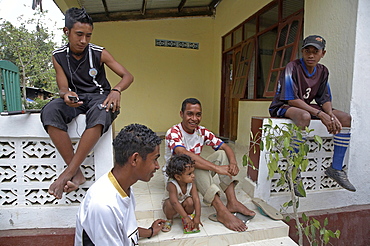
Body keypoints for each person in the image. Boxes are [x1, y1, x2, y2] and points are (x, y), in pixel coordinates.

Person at [40, 8, 134, 199]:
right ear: (66, 32)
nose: (84, 40)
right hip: (77, 98)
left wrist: (116, 91)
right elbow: (63, 88)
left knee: (102, 111)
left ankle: (68, 172)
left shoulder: (99, 53)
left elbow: (127, 76)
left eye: (88, 35)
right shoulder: (58, 56)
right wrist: (66, 96)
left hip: (99, 96)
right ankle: (77, 174)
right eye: (79, 34)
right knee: (49, 111)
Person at [269, 35, 356, 192]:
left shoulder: (323, 71)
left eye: (315, 52)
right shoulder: (292, 67)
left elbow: (325, 98)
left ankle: (335, 168)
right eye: (307, 51)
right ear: (302, 52)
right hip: (283, 106)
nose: (310, 55)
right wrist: (320, 114)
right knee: (304, 116)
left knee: (345, 118)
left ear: (323, 53)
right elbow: (292, 100)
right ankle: (294, 171)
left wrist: (330, 114)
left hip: (306, 106)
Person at [164, 98, 256, 232]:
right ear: (181, 114)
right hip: (178, 175)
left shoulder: (201, 131)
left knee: (222, 154)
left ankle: (232, 201)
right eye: (190, 114)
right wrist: (216, 168)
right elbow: (182, 154)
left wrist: (233, 163)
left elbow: (225, 146)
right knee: (195, 169)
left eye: (198, 114)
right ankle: (221, 211)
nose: (194, 118)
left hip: (191, 170)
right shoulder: (173, 132)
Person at [75, 123, 165, 245]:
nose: (157, 166)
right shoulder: (103, 205)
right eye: (154, 159)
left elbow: (123, 230)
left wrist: (150, 231)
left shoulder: (123, 187)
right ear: (135, 159)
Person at [162, 154, 202, 233]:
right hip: (172, 208)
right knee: (169, 203)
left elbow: (196, 199)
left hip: (183, 206)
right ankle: (169, 219)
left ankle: (189, 218)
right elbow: (175, 202)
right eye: (189, 174)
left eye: (193, 172)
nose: (193, 176)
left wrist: (197, 216)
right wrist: (185, 217)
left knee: (190, 201)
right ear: (178, 177)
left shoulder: (191, 183)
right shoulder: (172, 184)